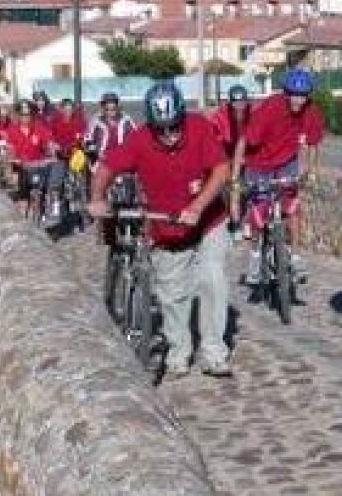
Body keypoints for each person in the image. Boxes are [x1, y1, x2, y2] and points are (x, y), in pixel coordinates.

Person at [86, 82, 233, 379]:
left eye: (174, 127)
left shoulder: (199, 128)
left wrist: (198, 206)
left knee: (211, 280)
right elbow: (106, 168)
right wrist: (97, 199)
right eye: (161, 129)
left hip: (207, 221)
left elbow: (221, 171)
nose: (169, 135)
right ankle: (179, 353)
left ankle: (214, 352)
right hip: (166, 228)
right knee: (172, 295)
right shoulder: (139, 140)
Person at [231, 67, 325, 284]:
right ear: (286, 92)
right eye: (294, 94)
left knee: (292, 208)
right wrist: (236, 180)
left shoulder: (311, 112)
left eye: (303, 95)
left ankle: (296, 256)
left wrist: (311, 171)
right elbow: (243, 142)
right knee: (259, 212)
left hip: (286, 163)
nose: (298, 100)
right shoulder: (270, 109)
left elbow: (313, 143)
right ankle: (254, 256)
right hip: (259, 164)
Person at [0, 102, 61, 222]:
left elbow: (48, 141)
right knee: (21, 191)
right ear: (18, 115)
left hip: (38, 165)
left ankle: (48, 207)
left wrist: (53, 148)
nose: (25, 118)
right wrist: (12, 158)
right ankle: (22, 219)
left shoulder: (39, 127)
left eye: (28, 115)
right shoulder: (12, 130)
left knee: (50, 183)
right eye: (22, 115)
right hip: (20, 166)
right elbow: (9, 148)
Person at [211, 84, 255, 233]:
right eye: (235, 102)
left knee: (254, 190)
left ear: (247, 101)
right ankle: (235, 224)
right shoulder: (220, 116)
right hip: (228, 157)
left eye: (242, 101)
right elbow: (216, 140)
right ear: (230, 103)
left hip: (250, 156)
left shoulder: (254, 114)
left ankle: (250, 221)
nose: (239, 106)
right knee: (233, 190)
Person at [87, 92, 137, 168]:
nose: (110, 112)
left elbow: (136, 138)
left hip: (122, 160)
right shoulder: (96, 121)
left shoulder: (126, 120)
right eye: (107, 109)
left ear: (117, 107)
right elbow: (88, 139)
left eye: (113, 109)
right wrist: (97, 153)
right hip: (101, 161)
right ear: (103, 108)